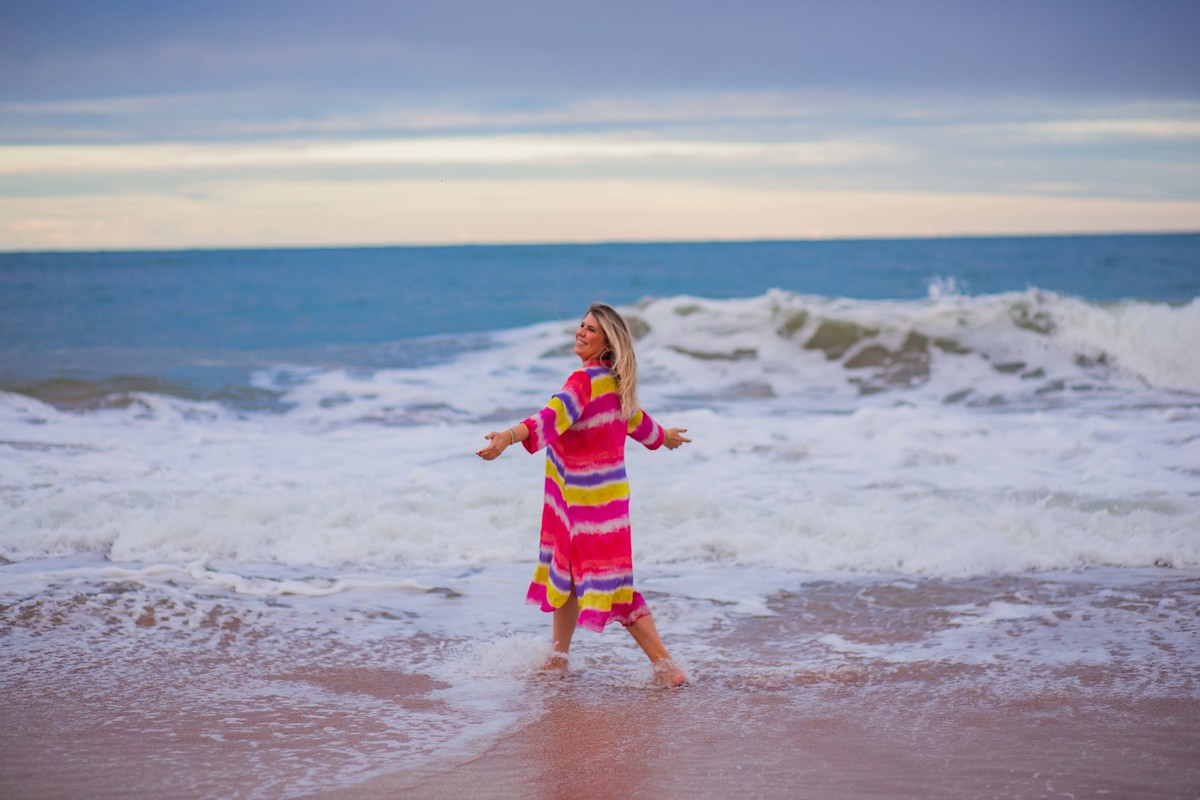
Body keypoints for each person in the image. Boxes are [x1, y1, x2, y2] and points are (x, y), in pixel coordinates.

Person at [476, 302, 692, 687]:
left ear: (607, 341)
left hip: (584, 508)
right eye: (581, 325)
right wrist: (666, 438)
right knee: (570, 576)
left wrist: (507, 437)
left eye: (590, 329)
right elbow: (642, 426)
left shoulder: (584, 382)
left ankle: (666, 667)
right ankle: (558, 658)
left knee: (613, 587)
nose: (581, 332)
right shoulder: (615, 384)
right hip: (603, 506)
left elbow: (548, 417)